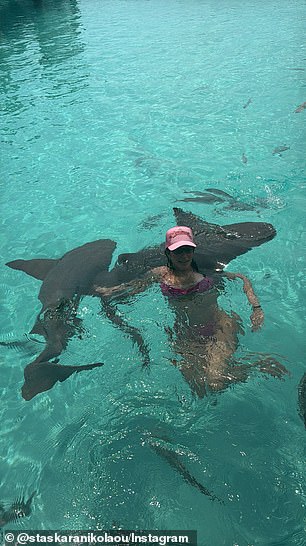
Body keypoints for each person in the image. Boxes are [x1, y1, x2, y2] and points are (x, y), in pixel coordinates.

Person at [95, 226, 287, 396]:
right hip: (184, 334)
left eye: (188, 250)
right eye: (179, 251)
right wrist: (108, 292)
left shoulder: (204, 271)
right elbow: (136, 286)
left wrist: (256, 308)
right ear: (168, 253)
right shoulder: (160, 274)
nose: (185, 256)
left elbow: (240, 278)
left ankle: (258, 365)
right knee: (199, 389)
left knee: (214, 382)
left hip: (218, 326)